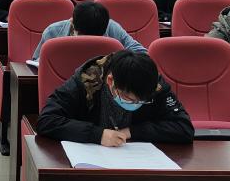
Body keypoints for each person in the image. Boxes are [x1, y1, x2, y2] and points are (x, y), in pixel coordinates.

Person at [36, 50, 194, 145]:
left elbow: (184, 128)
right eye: (128, 98)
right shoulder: (86, 81)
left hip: (134, 161)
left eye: (141, 101)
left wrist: (133, 132)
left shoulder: (153, 85)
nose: (135, 104)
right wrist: (97, 134)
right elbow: (46, 120)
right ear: (111, 81)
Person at [32, 0, 147, 60]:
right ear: (72, 22)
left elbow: (142, 53)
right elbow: (36, 63)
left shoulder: (112, 27)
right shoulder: (53, 31)